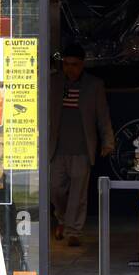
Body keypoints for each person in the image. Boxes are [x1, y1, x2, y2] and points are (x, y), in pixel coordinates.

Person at [49, 42, 114, 247]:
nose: (70, 68)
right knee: (55, 189)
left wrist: (108, 141)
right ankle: (61, 219)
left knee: (78, 193)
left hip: (82, 148)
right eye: (66, 64)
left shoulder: (93, 85)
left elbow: (102, 116)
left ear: (82, 64)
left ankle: (73, 230)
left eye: (74, 64)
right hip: (56, 148)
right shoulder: (53, 82)